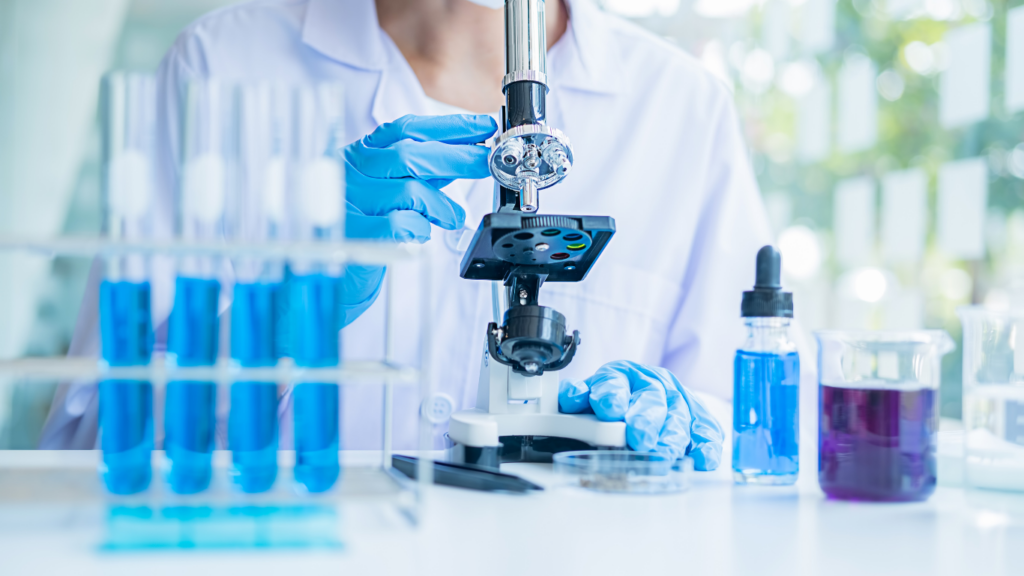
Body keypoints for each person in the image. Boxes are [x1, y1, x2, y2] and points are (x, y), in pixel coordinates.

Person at [41, 0, 772, 471]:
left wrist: (681, 432)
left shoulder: (681, 109)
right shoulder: (222, 66)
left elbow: (753, 436)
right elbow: (86, 446)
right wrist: (291, 316)